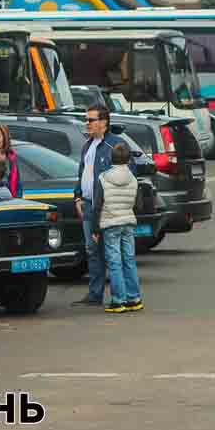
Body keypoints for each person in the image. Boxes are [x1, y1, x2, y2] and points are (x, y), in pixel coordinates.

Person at [72, 105, 125, 307]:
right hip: (87, 205)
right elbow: (82, 173)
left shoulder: (115, 145)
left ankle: (120, 296)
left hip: (106, 207)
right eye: (86, 120)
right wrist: (77, 197)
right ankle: (95, 294)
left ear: (104, 122)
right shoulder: (87, 145)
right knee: (92, 250)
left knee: (112, 251)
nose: (87, 123)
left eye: (91, 120)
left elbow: (126, 175)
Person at [92, 142, 143, 314]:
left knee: (114, 262)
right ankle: (134, 298)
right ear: (128, 160)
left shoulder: (103, 178)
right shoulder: (133, 179)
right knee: (129, 260)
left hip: (110, 223)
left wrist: (94, 229)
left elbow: (97, 205)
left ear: (110, 158)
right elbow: (138, 204)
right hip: (128, 222)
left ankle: (118, 300)